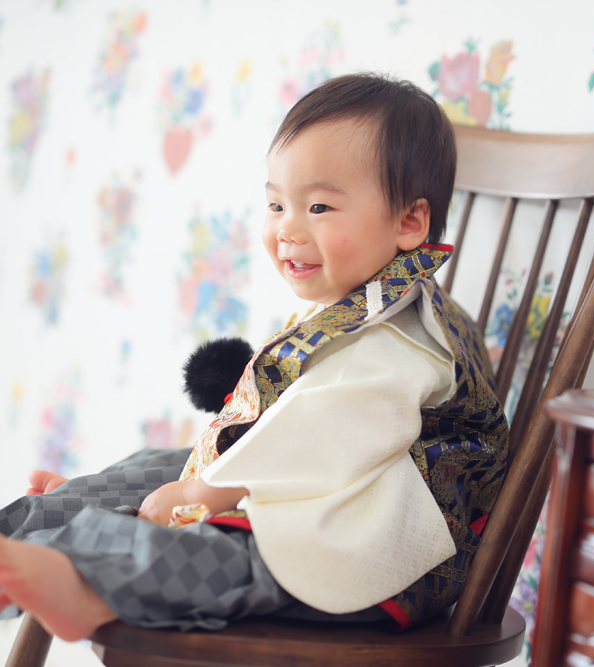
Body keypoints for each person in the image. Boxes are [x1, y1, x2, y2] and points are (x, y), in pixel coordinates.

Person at [0, 73, 508, 641]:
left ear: (409, 222)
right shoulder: (367, 302)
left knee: (222, 555)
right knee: (159, 463)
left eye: (319, 206)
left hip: (372, 552)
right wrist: (193, 481)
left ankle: (84, 573)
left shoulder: (397, 345)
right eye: (276, 204)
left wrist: (202, 494)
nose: (287, 228)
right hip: (331, 486)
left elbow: (317, 438)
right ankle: (59, 517)